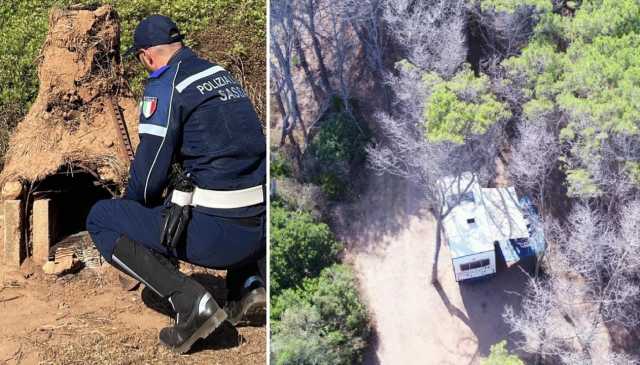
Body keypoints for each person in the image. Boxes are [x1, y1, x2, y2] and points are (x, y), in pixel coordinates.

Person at [86, 15, 266, 354]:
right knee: (224, 172)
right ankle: (249, 284)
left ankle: (191, 303)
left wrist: (133, 212)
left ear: (147, 57)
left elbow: (150, 172)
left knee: (101, 218)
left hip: (219, 237)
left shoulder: (166, 85)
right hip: (259, 232)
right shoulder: (221, 76)